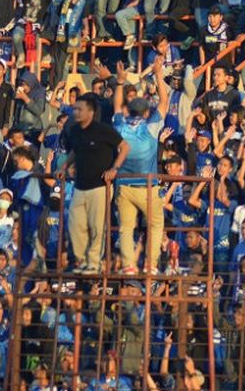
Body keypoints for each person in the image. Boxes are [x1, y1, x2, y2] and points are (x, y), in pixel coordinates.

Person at [59, 93, 129, 274]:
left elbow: (125, 147)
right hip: (80, 185)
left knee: (97, 227)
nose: (76, 112)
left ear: (90, 112)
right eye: (74, 109)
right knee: (75, 224)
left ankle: (94, 263)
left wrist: (115, 168)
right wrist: (65, 165)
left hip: (100, 186)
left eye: (79, 109)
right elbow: (75, 150)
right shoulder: (74, 131)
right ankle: (82, 261)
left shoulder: (103, 129)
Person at [113, 56, 168, 275]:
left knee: (126, 228)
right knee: (155, 225)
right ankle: (151, 264)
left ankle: (129, 265)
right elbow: (164, 102)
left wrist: (119, 82)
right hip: (148, 187)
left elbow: (117, 106)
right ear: (146, 112)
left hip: (125, 186)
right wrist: (158, 74)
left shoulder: (120, 126)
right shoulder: (151, 127)